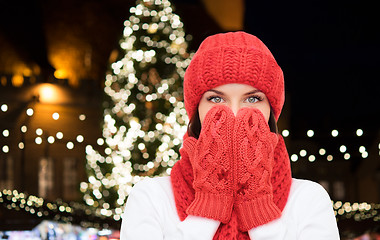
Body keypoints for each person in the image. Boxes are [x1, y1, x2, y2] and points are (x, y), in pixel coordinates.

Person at [120, 31, 340, 239]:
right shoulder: (151, 198)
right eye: (216, 99)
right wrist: (208, 207)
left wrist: (259, 209)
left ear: (271, 112)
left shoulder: (309, 199)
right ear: (196, 110)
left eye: (252, 99)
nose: (234, 113)